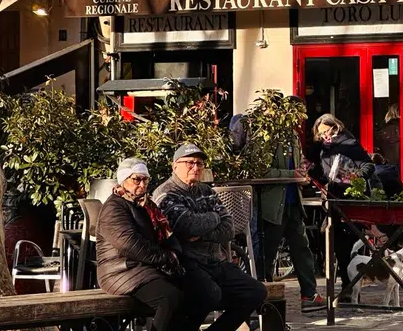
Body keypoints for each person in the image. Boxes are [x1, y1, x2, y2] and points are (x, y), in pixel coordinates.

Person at [153, 144, 267, 331]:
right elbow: (187, 226)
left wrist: (201, 233)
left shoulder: (207, 192)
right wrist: (215, 218)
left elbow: (229, 229)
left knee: (256, 292)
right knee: (209, 294)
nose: (196, 168)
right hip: (187, 262)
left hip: (216, 261)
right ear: (175, 166)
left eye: (199, 163)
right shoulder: (166, 193)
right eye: (189, 163)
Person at [230, 100, 325, 312]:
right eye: (296, 113)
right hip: (272, 205)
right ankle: (264, 297)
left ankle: (309, 294)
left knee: (302, 249)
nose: (300, 118)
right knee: (267, 253)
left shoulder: (292, 136)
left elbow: (296, 166)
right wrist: (292, 176)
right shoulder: (265, 137)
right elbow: (259, 171)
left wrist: (302, 174)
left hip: (293, 203)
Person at [96, 157, 189, 331]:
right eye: (136, 179)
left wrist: (175, 252)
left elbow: (168, 235)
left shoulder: (147, 206)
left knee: (199, 289)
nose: (142, 184)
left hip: (145, 267)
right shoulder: (114, 207)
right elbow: (129, 244)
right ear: (124, 180)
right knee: (170, 298)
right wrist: (166, 258)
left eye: (145, 179)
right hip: (120, 271)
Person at [306, 113, 375, 299]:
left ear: (335, 127)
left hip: (352, 198)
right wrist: (312, 173)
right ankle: (347, 286)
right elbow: (322, 172)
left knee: (350, 243)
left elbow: (368, 166)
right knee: (338, 246)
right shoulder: (322, 148)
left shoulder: (349, 144)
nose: (325, 137)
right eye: (321, 134)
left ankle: (350, 287)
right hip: (333, 198)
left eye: (327, 132)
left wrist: (356, 177)